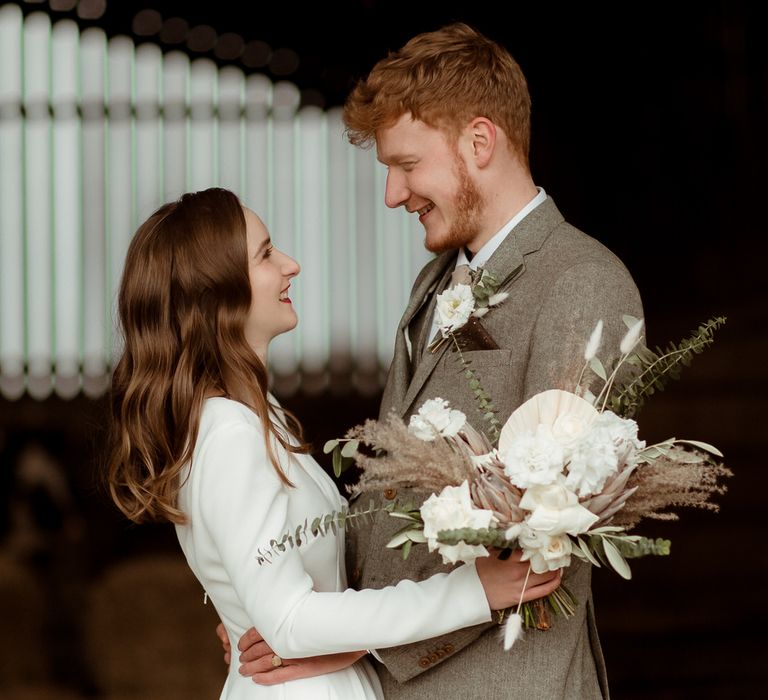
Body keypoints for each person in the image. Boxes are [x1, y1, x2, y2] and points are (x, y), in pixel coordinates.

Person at [232, 21, 644, 699]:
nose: (394, 194)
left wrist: (339, 643)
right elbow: (394, 503)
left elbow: (546, 544)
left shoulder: (582, 282)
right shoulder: (437, 281)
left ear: (479, 141)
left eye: (406, 165)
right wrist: (275, 614)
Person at [105, 186, 561, 699]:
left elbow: (279, 600)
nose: (291, 265)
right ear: (217, 295)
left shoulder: (258, 414)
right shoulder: (229, 433)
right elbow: (290, 621)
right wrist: (469, 591)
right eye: (265, 255)